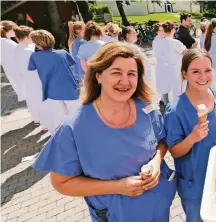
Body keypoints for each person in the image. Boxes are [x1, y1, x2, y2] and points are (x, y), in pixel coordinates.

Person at [33, 42, 177, 222]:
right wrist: (117, 186)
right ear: (98, 75)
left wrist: (156, 162)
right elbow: (62, 183)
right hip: (117, 215)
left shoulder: (147, 111)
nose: (125, 81)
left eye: (131, 74)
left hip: (158, 208)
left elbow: (161, 142)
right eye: (116, 72)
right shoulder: (73, 128)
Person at [164, 48, 216, 222]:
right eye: (195, 72)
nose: (203, 77)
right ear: (184, 74)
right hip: (195, 184)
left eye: (207, 70)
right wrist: (192, 137)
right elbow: (175, 151)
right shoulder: (175, 109)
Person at [28, 30, 81, 134]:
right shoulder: (63, 52)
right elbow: (72, 64)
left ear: (37, 44)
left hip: (51, 91)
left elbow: (31, 69)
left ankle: (63, 137)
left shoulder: (34, 56)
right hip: (69, 88)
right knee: (76, 114)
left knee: (58, 119)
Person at [13, 25, 47, 128]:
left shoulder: (17, 48)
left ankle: (37, 119)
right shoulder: (29, 51)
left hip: (26, 77)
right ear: (27, 37)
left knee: (32, 99)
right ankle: (45, 122)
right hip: (35, 77)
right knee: (40, 99)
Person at [155, 21, 187, 103]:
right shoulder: (175, 43)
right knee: (178, 91)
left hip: (165, 69)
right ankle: (177, 108)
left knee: (167, 89)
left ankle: (168, 105)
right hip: (176, 68)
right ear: (172, 30)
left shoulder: (159, 42)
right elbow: (186, 52)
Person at [1, 20, 25, 101]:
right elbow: (23, 53)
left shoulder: (4, 42)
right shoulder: (7, 42)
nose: (16, 31)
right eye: (14, 29)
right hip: (17, 69)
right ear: (9, 30)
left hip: (10, 69)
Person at [151, 23, 168, 104]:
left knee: (165, 83)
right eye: (161, 30)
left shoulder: (164, 39)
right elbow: (160, 55)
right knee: (164, 84)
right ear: (157, 32)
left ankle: (162, 99)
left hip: (166, 65)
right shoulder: (157, 41)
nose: (163, 31)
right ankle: (166, 103)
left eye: (164, 30)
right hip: (162, 65)